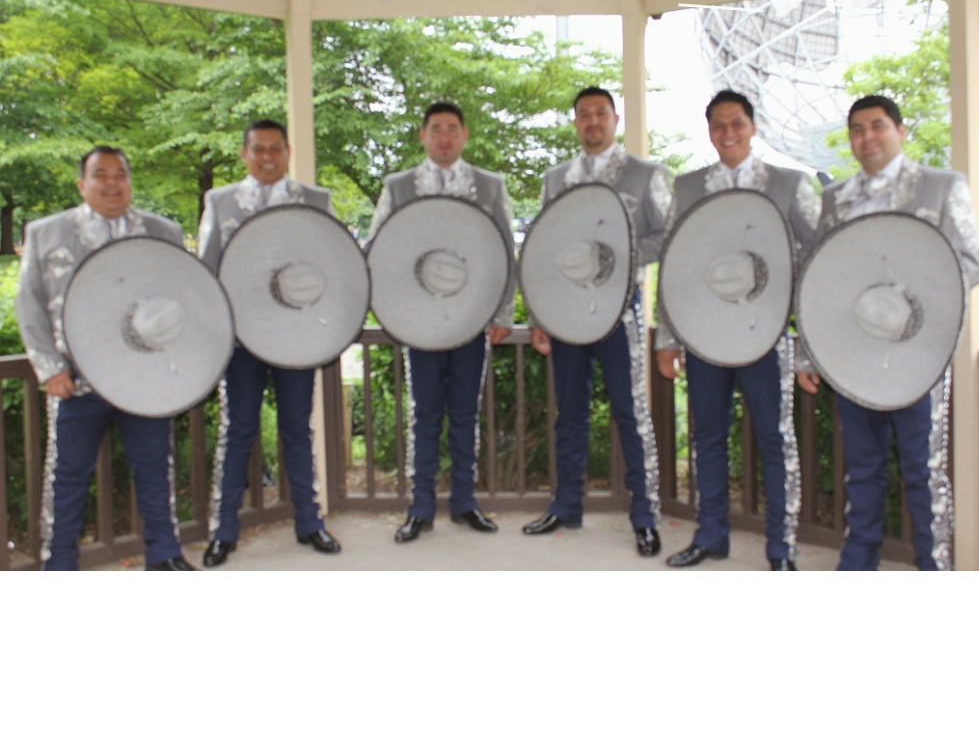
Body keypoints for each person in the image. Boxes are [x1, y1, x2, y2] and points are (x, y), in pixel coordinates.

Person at [796, 95, 979, 571]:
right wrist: (806, 355)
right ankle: (858, 560)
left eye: (877, 126)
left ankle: (933, 563)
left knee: (923, 471)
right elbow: (817, 278)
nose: (867, 137)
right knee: (862, 469)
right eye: (857, 129)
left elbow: (973, 263)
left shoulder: (942, 186)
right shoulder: (834, 198)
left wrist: (908, 300)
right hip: (851, 353)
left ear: (901, 131)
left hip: (919, 354)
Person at [656, 91, 818, 571]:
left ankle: (781, 548)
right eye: (718, 125)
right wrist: (668, 338)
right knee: (707, 436)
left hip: (767, 336)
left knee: (775, 439)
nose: (728, 133)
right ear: (709, 131)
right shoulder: (686, 189)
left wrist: (808, 344)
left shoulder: (790, 185)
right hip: (704, 336)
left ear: (752, 126)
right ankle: (711, 537)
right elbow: (673, 267)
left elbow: (818, 262)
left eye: (737, 124)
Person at [15, 147, 195, 571]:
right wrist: (49, 367)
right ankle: (58, 561)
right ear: (83, 184)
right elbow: (30, 306)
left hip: (145, 376)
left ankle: (164, 554)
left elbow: (185, 298)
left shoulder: (163, 231)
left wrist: (177, 367)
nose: (112, 183)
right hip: (75, 379)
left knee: (154, 467)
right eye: (101, 175)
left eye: (121, 174)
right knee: (68, 476)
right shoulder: (46, 232)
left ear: (130, 181)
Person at [523, 87, 667, 557]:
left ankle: (645, 517)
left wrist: (612, 259)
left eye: (600, 113)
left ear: (615, 119)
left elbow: (665, 237)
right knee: (570, 412)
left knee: (631, 413)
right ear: (575, 123)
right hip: (565, 312)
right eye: (584, 115)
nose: (592, 122)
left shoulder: (647, 175)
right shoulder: (556, 178)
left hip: (621, 308)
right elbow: (542, 249)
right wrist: (539, 313)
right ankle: (566, 505)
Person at [367, 102, 515, 543]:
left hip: (473, 318)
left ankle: (466, 503)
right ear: (423, 136)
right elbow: (378, 250)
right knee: (425, 414)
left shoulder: (489, 186)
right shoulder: (399, 186)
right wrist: (393, 313)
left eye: (453, 129)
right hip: (421, 321)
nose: (445, 137)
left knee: (466, 414)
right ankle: (420, 508)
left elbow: (507, 251)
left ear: (465, 135)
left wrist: (502, 313)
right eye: (437, 129)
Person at [199, 120, 341, 567]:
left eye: (275, 149)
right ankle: (223, 531)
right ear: (244, 153)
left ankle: (310, 522)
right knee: (237, 430)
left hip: (296, 338)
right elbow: (207, 271)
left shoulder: (315, 201)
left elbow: (332, 266)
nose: (267, 157)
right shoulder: (219, 202)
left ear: (288, 151)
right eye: (258, 149)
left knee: (298, 430)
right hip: (241, 341)